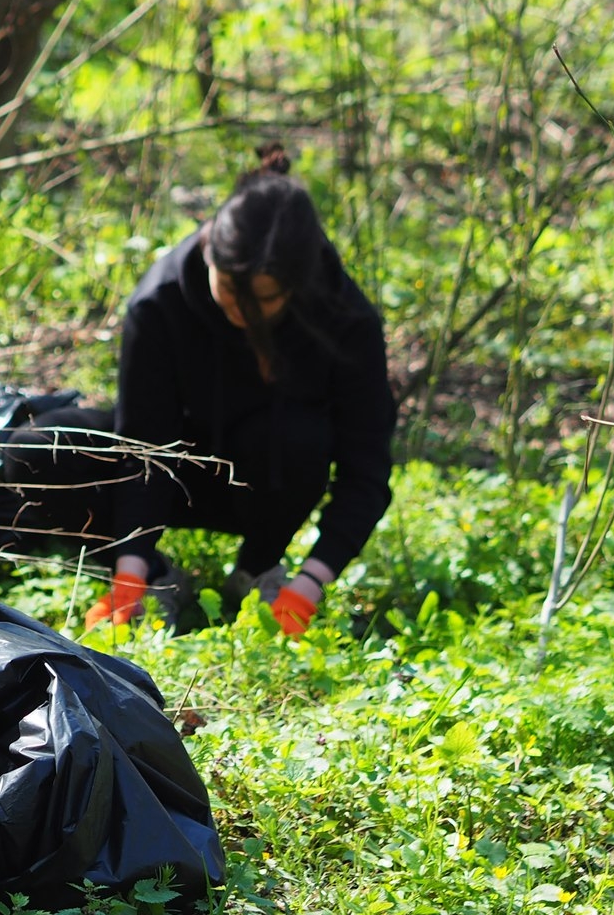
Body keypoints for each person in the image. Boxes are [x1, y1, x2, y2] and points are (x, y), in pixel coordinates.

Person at [86, 148, 395, 634]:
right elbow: (145, 446)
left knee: (302, 438)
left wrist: (311, 583)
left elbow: (367, 468)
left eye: (264, 299)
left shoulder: (347, 320)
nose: (241, 310)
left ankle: (259, 573)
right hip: (182, 471)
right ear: (210, 249)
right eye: (230, 288)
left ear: (297, 284)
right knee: (47, 451)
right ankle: (156, 577)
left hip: (269, 479)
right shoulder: (158, 303)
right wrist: (131, 569)